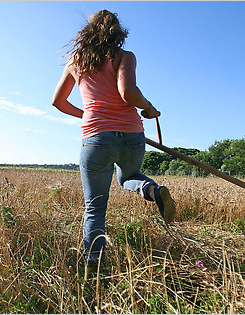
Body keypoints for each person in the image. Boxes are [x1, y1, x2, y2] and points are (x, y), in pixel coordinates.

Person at [52, 10, 176, 264]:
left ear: (88, 32)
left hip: (96, 137)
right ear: (118, 33)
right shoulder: (125, 56)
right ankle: (152, 189)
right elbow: (128, 92)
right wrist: (149, 106)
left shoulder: (76, 62)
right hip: (132, 135)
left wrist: (88, 114)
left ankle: (93, 263)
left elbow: (58, 102)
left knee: (95, 207)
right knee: (129, 177)